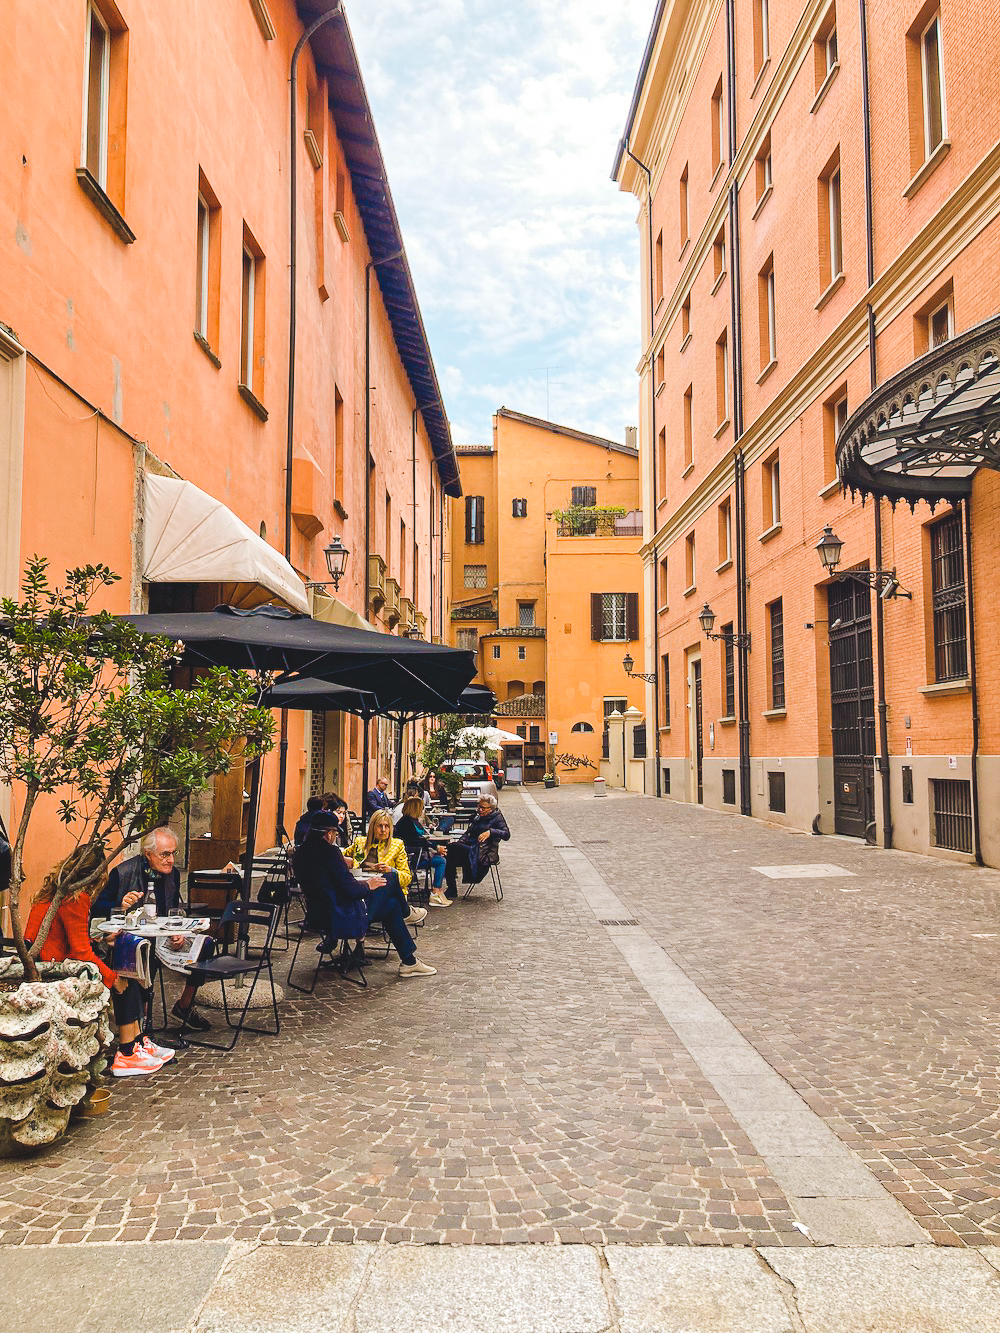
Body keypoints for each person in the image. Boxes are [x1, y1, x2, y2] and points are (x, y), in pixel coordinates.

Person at [26, 846, 174, 1077]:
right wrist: (112, 978)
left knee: (126, 969)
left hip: (50, 959)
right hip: (56, 966)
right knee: (123, 976)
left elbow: (71, 938)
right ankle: (127, 1052)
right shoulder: (76, 898)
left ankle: (137, 1043)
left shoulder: (58, 890)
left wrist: (101, 938)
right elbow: (81, 953)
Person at [93, 827, 212, 1032]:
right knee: (145, 950)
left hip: (161, 935)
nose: (171, 860)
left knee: (207, 944)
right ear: (148, 854)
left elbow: (172, 910)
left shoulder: (172, 874)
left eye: (174, 853)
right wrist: (120, 905)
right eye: (165, 854)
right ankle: (142, 1025)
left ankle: (184, 1006)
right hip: (128, 939)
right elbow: (96, 908)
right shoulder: (123, 873)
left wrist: (178, 932)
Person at [293, 811, 436, 977]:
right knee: (389, 878)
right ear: (329, 833)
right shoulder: (330, 853)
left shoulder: (300, 853)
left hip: (317, 915)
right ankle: (408, 913)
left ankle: (409, 962)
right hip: (343, 915)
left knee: (392, 906)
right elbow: (351, 890)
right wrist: (368, 885)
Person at [343, 811, 424, 923]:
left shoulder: (397, 845)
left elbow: (407, 878)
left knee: (389, 881)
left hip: (384, 888)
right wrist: (346, 860)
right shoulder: (360, 842)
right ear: (372, 828)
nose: (383, 830)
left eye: (387, 826)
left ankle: (362, 921)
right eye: (380, 826)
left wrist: (391, 870)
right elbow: (338, 855)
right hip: (362, 887)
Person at [444, 794, 510, 899]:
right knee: (449, 855)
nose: (479, 810)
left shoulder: (497, 817)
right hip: (471, 848)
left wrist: (491, 832)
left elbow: (506, 834)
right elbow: (468, 833)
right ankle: (451, 889)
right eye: (479, 807)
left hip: (481, 852)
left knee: (451, 848)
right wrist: (461, 843)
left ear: (491, 809)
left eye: (483, 808)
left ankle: (449, 889)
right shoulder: (478, 817)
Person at [394, 796, 450, 908]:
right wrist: (435, 847)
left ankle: (437, 890)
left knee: (442, 856)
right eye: (421, 808)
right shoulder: (407, 823)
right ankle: (436, 891)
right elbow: (417, 841)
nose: (422, 810)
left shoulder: (412, 821)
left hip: (418, 854)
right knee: (441, 861)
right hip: (413, 857)